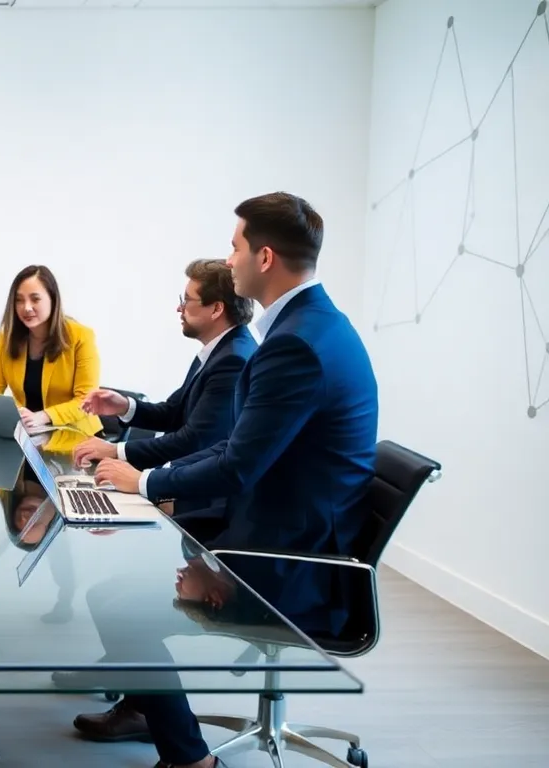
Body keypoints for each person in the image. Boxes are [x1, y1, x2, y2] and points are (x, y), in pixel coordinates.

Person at [83, 192, 379, 768]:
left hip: (292, 563)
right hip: (289, 531)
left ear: (264, 258)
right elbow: (236, 447)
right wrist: (148, 480)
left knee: (114, 602)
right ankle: (151, 708)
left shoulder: (294, 343)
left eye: (235, 245)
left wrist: (145, 487)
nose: (231, 257)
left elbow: (237, 465)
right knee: (126, 579)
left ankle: (191, 758)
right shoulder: (311, 326)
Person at [72, 259, 257, 541]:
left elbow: (194, 440)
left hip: (203, 507)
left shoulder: (233, 358)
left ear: (217, 308)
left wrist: (116, 452)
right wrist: (124, 406)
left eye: (187, 300)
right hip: (182, 489)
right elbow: (175, 411)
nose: (179, 308)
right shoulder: (219, 350)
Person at [0, 265, 101, 435]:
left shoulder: (81, 336)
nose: (26, 307)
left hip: (75, 435)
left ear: (52, 299)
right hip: (29, 434)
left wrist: (42, 416)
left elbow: (85, 401)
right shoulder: (7, 337)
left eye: (35, 299)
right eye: (19, 300)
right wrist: (14, 414)